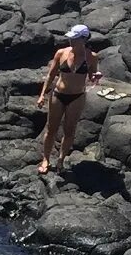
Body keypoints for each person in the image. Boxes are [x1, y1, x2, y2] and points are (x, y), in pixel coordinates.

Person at [36, 25, 100, 174]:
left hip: (77, 97)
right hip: (58, 94)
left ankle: (61, 159)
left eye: (75, 38)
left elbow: (91, 76)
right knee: (51, 129)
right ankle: (45, 159)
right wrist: (42, 95)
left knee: (69, 131)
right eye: (71, 37)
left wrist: (96, 77)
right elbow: (51, 75)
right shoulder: (61, 53)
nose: (71, 40)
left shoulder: (92, 57)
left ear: (83, 39)